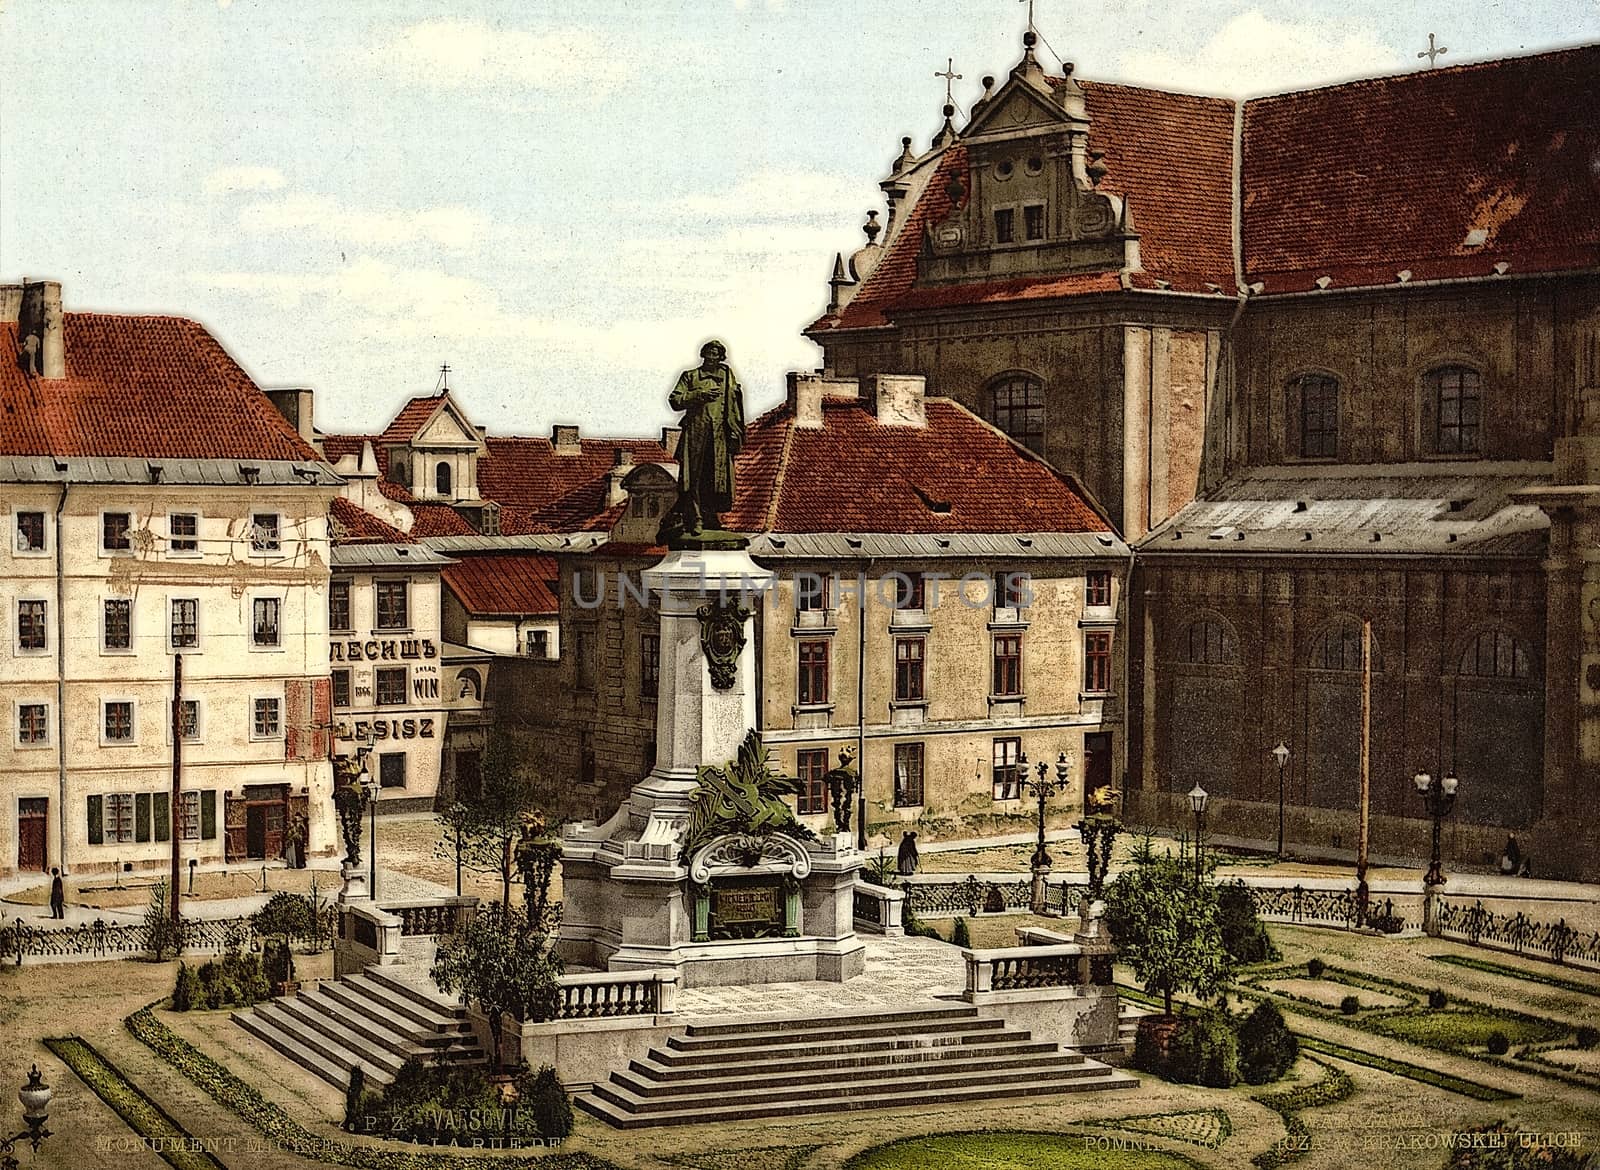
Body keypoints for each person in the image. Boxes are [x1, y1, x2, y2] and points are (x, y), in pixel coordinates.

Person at [662, 340, 745, 542]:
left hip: (719, 437)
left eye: (716, 354)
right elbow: (674, 400)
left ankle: (710, 516)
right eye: (708, 353)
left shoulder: (727, 376)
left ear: (721, 356)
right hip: (696, 435)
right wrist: (698, 394)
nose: (711, 357)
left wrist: (735, 432)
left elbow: (734, 404)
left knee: (716, 479)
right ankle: (696, 518)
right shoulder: (690, 376)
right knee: (694, 478)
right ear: (703, 355)